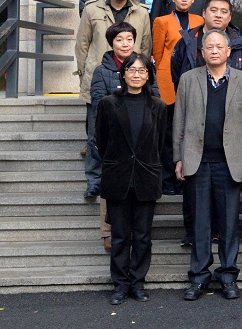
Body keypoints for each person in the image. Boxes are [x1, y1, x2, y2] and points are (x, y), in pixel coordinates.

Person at [173, 29, 242, 301]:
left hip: (230, 162)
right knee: (200, 223)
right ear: (201, 52)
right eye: (208, 47)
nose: (214, 51)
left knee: (228, 223)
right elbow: (178, 122)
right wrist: (178, 157)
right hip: (197, 160)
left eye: (219, 47)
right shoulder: (189, 79)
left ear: (228, 51)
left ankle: (228, 276)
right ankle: (199, 277)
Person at [96, 52, 167, 305]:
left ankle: (138, 283)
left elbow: (159, 143)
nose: (137, 75)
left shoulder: (158, 106)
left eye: (142, 70)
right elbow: (102, 140)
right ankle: (120, 284)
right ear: (123, 74)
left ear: (149, 76)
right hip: (118, 177)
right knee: (119, 235)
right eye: (132, 70)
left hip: (146, 177)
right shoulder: (108, 103)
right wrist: (117, 163)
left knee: (143, 235)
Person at [78, 0, 152, 203]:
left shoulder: (141, 12)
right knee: (95, 134)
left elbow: (146, 45)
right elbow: (82, 44)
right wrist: (84, 74)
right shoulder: (92, 9)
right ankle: (94, 181)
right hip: (99, 75)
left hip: (134, 78)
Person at [152, 0, 204, 195]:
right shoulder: (161, 21)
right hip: (167, 79)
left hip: (192, 77)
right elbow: (157, 53)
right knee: (168, 132)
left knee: (188, 130)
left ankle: (185, 178)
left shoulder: (199, 20)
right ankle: (167, 180)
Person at [170, 0, 242, 91]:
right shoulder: (187, 41)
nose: (218, 15)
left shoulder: (241, 45)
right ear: (204, 13)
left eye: (224, 12)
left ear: (230, 17)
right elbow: (176, 76)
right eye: (213, 10)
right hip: (193, 95)